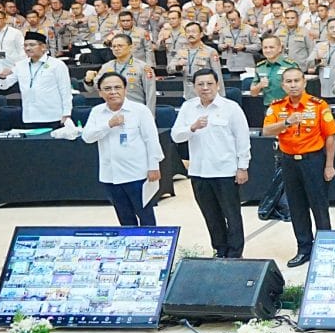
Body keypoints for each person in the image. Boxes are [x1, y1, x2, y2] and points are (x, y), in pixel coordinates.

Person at [170, 69, 251, 257]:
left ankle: (235, 253)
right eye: (200, 84)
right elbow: (176, 136)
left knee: (232, 215)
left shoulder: (231, 108)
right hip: (199, 172)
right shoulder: (188, 107)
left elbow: (242, 139)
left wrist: (242, 167)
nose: (205, 88)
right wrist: (192, 127)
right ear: (194, 87)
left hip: (226, 171)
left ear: (218, 85)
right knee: (211, 216)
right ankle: (220, 249)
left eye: (209, 84)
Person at [263, 66, 335, 267]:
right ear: (283, 85)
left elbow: (330, 137)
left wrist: (329, 165)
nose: (293, 85)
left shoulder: (318, 105)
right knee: (296, 207)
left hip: (313, 160)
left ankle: (326, 248)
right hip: (288, 161)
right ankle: (304, 249)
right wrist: (286, 122)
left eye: (297, 81)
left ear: (304, 83)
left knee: (319, 206)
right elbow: (266, 130)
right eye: (288, 81)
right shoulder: (277, 106)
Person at [81, 72, 164, 227]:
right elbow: (87, 137)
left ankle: (151, 242)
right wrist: (108, 125)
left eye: (117, 87)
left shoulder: (140, 110)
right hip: (110, 175)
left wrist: (154, 166)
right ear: (100, 93)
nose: (113, 92)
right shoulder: (97, 112)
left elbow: (151, 140)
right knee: (124, 218)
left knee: (146, 216)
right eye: (107, 89)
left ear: (125, 89)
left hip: (137, 174)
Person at [13, 31, 72, 129]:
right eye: (25, 45)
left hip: (53, 117)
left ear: (43, 47)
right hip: (30, 117)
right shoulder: (20, 65)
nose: (27, 48)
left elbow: (65, 91)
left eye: (32, 45)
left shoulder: (57, 65)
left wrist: (67, 113)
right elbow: (4, 85)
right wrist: (2, 77)